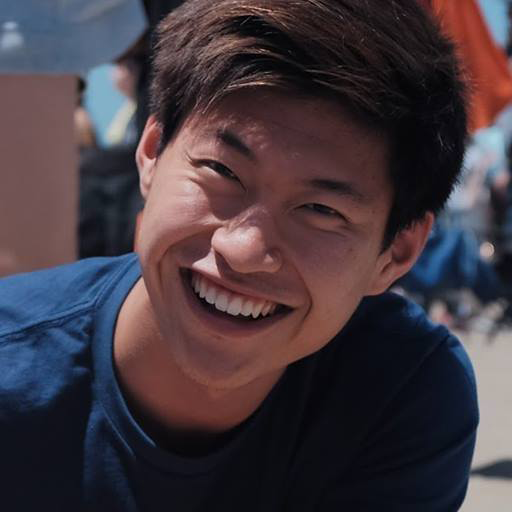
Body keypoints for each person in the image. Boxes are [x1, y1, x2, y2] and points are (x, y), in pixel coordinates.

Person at [0, 1, 478, 510]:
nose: (244, 249)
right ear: (152, 152)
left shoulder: (403, 393)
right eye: (222, 172)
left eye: (320, 210)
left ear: (397, 253)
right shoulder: (12, 370)